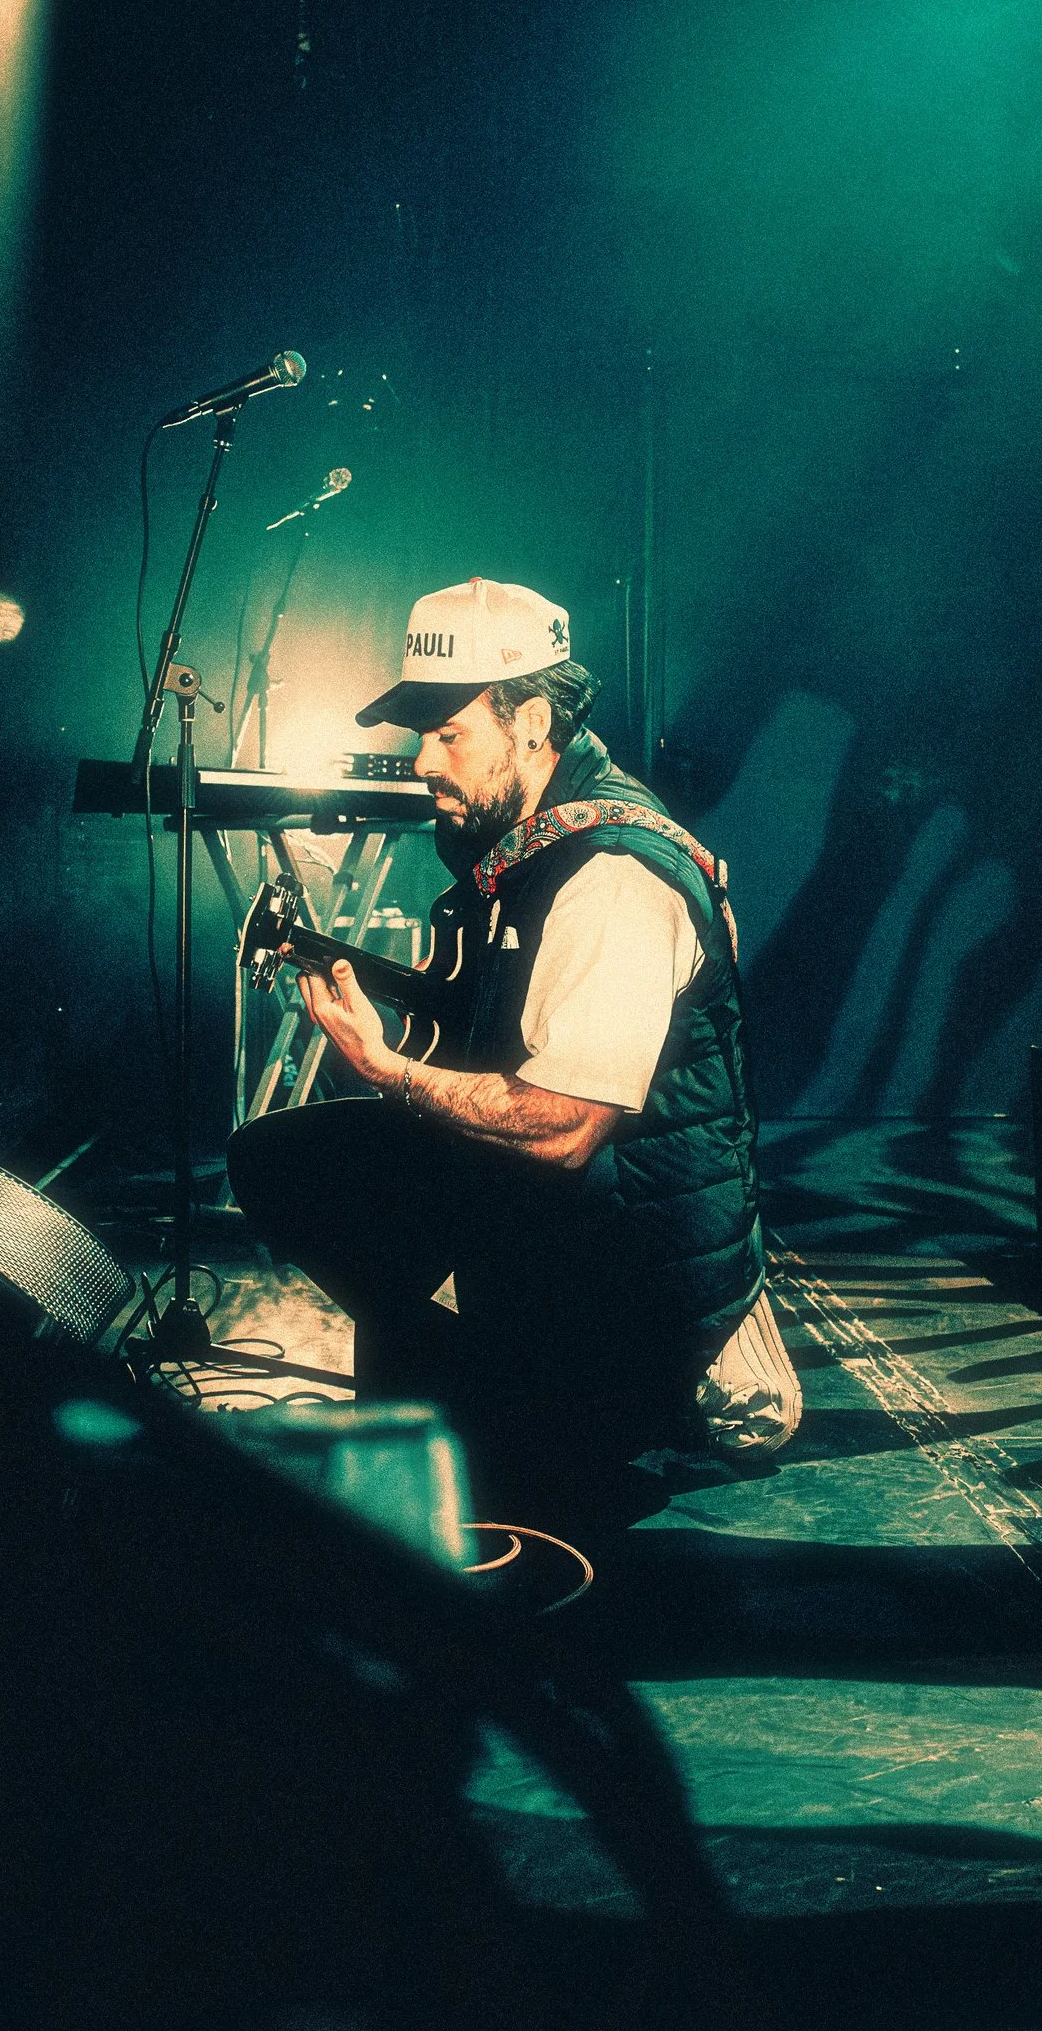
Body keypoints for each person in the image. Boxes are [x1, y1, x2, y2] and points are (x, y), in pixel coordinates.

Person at [225, 576, 799, 1543]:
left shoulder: (610, 877)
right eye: (422, 735)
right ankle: (462, 1394)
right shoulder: (525, 849)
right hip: (575, 1226)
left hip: (638, 1285)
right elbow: (499, 1026)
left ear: (532, 721)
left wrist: (388, 1067)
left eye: (450, 735)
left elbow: (567, 1126)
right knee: (289, 1162)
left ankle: (608, 1411)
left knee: (372, 1188)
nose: (422, 762)